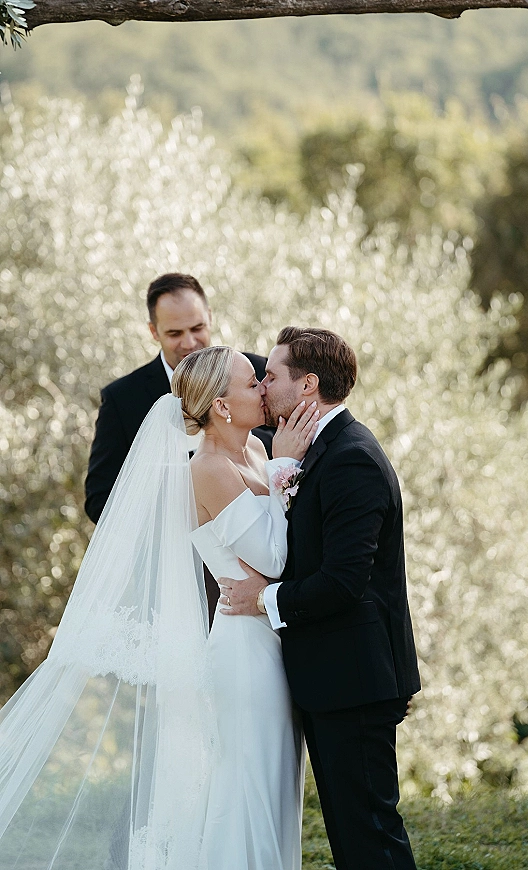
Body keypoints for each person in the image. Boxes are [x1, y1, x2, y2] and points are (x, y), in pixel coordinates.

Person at [0, 345, 316, 870]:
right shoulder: (209, 469)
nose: (263, 388)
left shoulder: (258, 452)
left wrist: (280, 465)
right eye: (251, 383)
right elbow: (276, 556)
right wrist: (289, 466)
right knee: (245, 790)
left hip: (275, 638)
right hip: (245, 654)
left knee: (276, 783)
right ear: (221, 406)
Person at [221, 326, 421, 870]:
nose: (263, 384)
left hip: (353, 681)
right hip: (333, 678)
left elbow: (343, 581)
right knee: (355, 838)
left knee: (370, 837)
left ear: (307, 385)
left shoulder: (351, 458)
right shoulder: (320, 449)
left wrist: (267, 598)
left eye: (273, 375)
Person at [84, 272, 273, 525]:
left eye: (197, 328)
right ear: (154, 331)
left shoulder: (259, 372)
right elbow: (100, 498)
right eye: (175, 333)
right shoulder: (122, 398)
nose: (190, 342)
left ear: (210, 317)